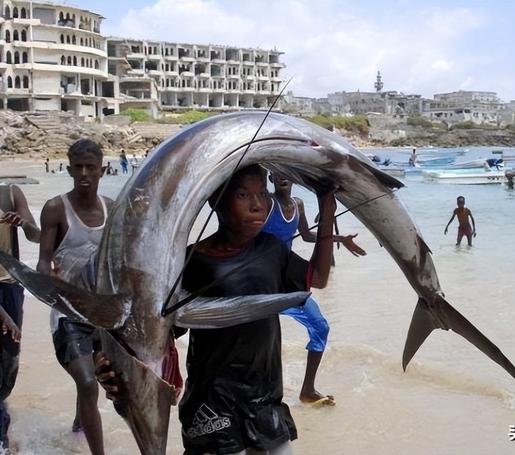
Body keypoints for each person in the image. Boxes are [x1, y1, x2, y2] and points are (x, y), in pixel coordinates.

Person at [97, 164, 337, 455]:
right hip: (212, 401)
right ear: (216, 200)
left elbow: (319, 278)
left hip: (265, 396)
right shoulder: (191, 261)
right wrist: (116, 368)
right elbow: (157, 334)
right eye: (243, 195)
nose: (257, 205)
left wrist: (327, 211)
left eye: (262, 193)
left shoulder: (272, 249)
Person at [262, 173, 366, 406]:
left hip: (287, 276)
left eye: (287, 173)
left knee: (320, 326)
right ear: (271, 177)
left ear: (294, 178)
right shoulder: (266, 203)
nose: (282, 177)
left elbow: (308, 235)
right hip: (260, 277)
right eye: (277, 173)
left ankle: (307, 389)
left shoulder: (298, 204)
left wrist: (340, 238)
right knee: (264, 336)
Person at [37, 139, 112, 455]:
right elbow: (43, 258)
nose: (84, 174)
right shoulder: (56, 209)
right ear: (68, 169)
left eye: (90, 168)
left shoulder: (113, 209)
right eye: (78, 167)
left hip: (103, 315)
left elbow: (120, 260)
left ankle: (79, 424)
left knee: (108, 385)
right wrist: (44, 279)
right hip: (68, 313)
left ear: (102, 170)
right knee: (86, 382)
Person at [0, 184, 40, 449]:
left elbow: (36, 236)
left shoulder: (10, 193)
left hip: (8, 286)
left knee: (8, 363)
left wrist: (23, 222)